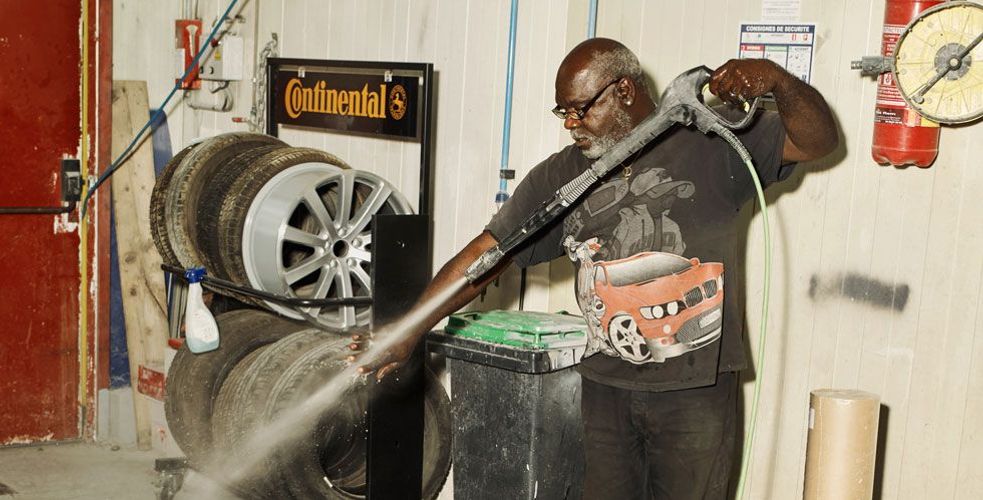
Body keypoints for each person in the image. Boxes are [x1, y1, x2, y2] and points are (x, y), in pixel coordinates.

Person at [349, 38, 838, 499]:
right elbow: (488, 253)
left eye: (580, 108)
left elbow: (816, 141)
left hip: (694, 390)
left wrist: (778, 80)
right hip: (605, 386)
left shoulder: (710, 140)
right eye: (562, 111)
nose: (570, 123)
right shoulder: (563, 175)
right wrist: (411, 329)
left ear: (623, 91)